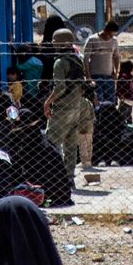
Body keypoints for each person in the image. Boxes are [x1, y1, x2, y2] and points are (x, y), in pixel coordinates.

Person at [45, 36, 92, 178]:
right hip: (77, 107)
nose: (53, 44)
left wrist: (47, 102)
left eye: (54, 41)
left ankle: (51, 177)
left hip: (62, 109)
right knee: (71, 146)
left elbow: (60, 87)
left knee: (51, 144)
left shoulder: (59, 62)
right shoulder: (77, 59)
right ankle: (69, 177)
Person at [83, 21, 121, 105]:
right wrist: (88, 77)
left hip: (109, 77)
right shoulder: (92, 40)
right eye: (110, 35)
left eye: (113, 35)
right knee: (98, 103)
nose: (111, 37)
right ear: (105, 31)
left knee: (111, 103)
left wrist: (116, 71)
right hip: (95, 77)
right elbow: (86, 59)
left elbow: (116, 56)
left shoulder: (114, 41)